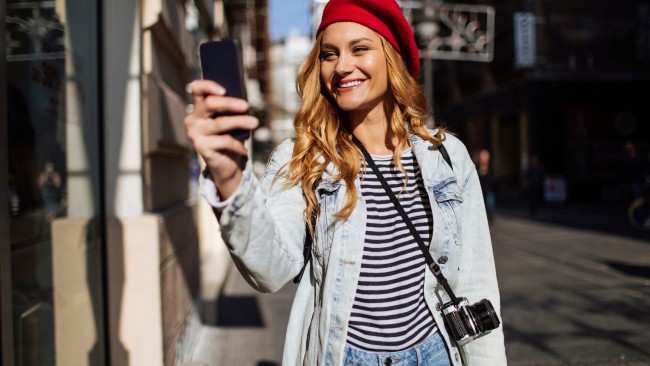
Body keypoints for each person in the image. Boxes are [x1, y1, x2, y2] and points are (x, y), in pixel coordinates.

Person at [184, 0, 506, 364]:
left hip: (435, 354)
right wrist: (228, 177)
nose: (342, 67)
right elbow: (270, 271)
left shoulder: (446, 155)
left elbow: (477, 281)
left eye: (360, 49)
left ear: (392, 57)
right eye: (329, 54)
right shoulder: (304, 158)